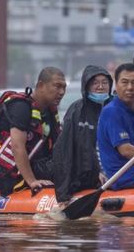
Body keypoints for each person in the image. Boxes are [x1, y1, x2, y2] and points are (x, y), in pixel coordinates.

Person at [0, 67, 66, 196]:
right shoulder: (21, 107)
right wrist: (32, 181)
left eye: (64, 88)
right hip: (9, 174)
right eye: (57, 86)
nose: (61, 92)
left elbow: (59, 146)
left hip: (37, 165)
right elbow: (17, 146)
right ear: (40, 85)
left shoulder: (50, 112)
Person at [52, 65, 113, 208]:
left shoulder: (115, 108)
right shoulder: (77, 111)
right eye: (95, 83)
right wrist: (63, 194)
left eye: (104, 82)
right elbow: (64, 151)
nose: (100, 87)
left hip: (113, 171)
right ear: (86, 86)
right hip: (85, 177)